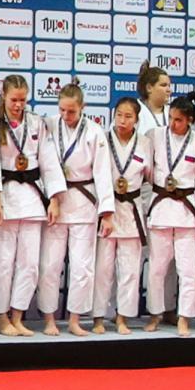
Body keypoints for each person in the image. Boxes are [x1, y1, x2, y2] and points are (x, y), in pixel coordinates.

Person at [36, 83, 112, 337]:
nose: (66, 116)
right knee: (49, 265)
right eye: (62, 110)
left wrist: (107, 213)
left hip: (83, 202)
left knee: (82, 266)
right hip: (55, 202)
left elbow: (103, 173)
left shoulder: (94, 132)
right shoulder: (48, 126)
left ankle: (75, 319)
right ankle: (49, 319)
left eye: (71, 111)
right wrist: (52, 196)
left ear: (83, 107)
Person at [0, 75, 57, 338]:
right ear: (3, 96)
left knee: (29, 264)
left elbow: (49, 162)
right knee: (3, 263)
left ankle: (17, 315)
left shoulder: (37, 123)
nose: (18, 105)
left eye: (22, 100)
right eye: (13, 100)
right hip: (4, 196)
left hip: (31, 198)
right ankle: (1, 316)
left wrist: (55, 198)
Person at [142, 95, 195, 336]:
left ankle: (184, 317)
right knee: (157, 268)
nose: (173, 124)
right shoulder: (154, 135)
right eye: (171, 118)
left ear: (190, 120)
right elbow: (145, 168)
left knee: (189, 270)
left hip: (186, 210)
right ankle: (155, 314)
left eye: (179, 120)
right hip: (161, 207)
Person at [92, 96, 149, 334]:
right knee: (102, 269)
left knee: (130, 270)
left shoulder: (145, 143)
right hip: (107, 208)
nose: (122, 121)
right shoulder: (102, 140)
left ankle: (122, 317)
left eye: (128, 116)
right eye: (119, 115)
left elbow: (151, 176)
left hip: (132, 208)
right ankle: (97, 317)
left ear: (137, 119)